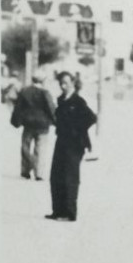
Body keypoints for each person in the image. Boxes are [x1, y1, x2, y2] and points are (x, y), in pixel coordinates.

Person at [46, 72, 96, 222]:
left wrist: (76, 130)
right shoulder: (61, 100)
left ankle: (70, 213)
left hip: (74, 144)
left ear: (73, 83)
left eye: (66, 83)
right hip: (61, 141)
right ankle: (57, 211)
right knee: (56, 176)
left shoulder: (78, 101)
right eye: (61, 83)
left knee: (70, 178)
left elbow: (91, 118)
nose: (63, 86)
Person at [10, 71, 56, 181]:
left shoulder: (25, 91)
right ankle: (39, 173)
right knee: (40, 149)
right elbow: (51, 108)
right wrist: (55, 120)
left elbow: (18, 108)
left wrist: (15, 121)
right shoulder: (45, 93)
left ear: (32, 80)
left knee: (25, 146)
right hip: (43, 125)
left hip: (28, 124)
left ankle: (25, 170)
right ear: (43, 81)